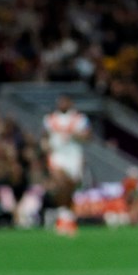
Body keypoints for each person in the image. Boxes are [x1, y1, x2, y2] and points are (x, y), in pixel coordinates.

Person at [44, 95, 91, 237]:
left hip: (73, 156)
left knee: (70, 187)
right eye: (60, 101)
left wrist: (74, 135)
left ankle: (66, 217)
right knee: (61, 182)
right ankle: (63, 214)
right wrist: (44, 144)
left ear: (70, 103)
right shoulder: (50, 119)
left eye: (65, 101)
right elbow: (45, 136)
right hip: (58, 155)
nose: (62, 104)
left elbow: (87, 137)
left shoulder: (80, 119)